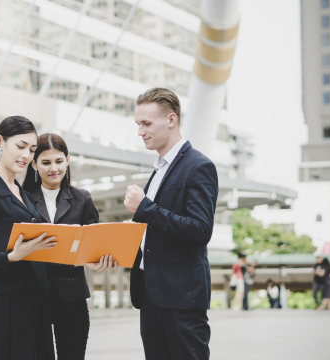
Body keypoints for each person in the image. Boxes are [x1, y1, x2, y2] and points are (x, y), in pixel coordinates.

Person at [125, 88, 218, 360]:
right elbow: (155, 230)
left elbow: (200, 230)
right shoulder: (159, 169)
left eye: (147, 124)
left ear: (171, 119)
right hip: (151, 295)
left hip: (181, 298)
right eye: (138, 124)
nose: (140, 131)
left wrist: (145, 207)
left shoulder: (198, 166)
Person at [0, 116, 57, 360]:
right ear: (0, 141)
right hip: (8, 302)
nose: (26, 155)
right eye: (21, 146)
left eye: (32, 149)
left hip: (36, 297)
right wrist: (12, 257)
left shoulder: (24, 194)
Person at [22, 133, 118, 360]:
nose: (53, 168)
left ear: (67, 160)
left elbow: (95, 241)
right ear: (34, 164)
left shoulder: (82, 198)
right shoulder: (23, 198)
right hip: (33, 294)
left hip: (71, 295)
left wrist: (98, 260)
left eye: (58, 161)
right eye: (45, 162)